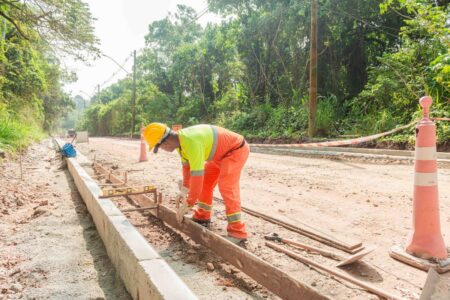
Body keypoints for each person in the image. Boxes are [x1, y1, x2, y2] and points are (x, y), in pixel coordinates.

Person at [143, 123, 249, 243]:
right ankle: (202, 216)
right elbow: (187, 168)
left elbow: (197, 177)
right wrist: (184, 190)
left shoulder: (191, 142)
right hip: (220, 156)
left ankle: (238, 231)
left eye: (159, 147)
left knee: (226, 187)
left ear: (165, 142)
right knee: (206, 184)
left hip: (235, 151)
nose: (162, 150)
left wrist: (189, 203)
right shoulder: (180, 143)